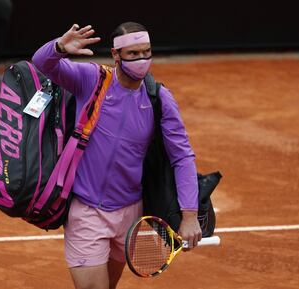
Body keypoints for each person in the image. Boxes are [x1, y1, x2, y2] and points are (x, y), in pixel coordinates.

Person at [32, 22, 202, 289]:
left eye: (146, 52)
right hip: (87, 210)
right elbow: (42, 63)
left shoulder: (159, 98)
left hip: (130, 214)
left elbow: (182, 156)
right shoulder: (92, 80)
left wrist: (190, 215)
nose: (142, 60)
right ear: (116, 55)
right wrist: (60, 47)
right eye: (133, 54)